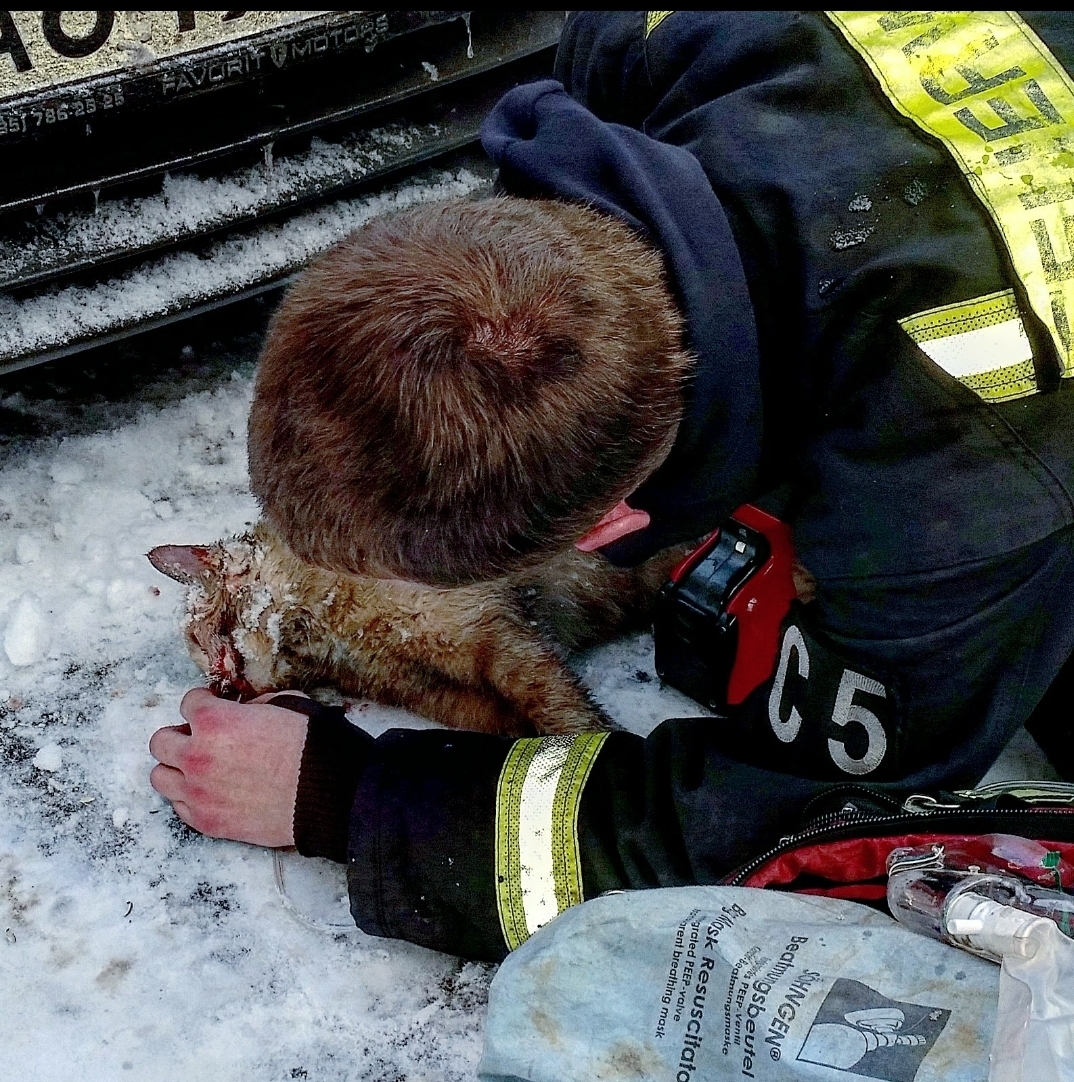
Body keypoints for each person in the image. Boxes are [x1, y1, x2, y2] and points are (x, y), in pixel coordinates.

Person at [149, 11, 1074, 961]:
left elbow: (808, 825)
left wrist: (350, 799)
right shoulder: (644, 33)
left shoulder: (952, 482)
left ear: (610, 526)